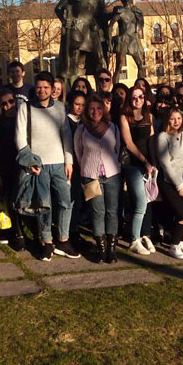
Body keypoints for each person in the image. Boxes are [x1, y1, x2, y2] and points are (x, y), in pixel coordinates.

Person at [14, 71, 77, 261]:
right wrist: (30, 161)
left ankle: (63, 239)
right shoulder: (26, 108)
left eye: (46, 88)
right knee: (44, 205)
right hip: (38, 165)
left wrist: (69, 161)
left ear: (52, 89)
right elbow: (19, 137)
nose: (42, 91)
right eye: (39, 87)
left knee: (66, 201)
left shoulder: (59, 108)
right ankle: (47, 242)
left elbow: (66, 136)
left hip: (59, 163)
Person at [74, 94, 121, 263]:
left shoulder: (113, 127)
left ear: (104, 109)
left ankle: (112, 248)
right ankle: (101, 249)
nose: (95, 112)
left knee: (112, 211)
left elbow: (117, 149)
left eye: (99, 108)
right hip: (91, 176)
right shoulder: (82, 129)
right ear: (87, 110)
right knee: (97, 212)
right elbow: (78, 152)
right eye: (92, 109)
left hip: (112, 176)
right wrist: (87, 169)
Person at [156, 108, 183, 259]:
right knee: (182, 215)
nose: (176, 122)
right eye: (172, 118)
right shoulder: (163, 137)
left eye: (179, 118)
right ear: (167, 120)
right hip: (170, 181)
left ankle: (182, 242)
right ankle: (174, 245)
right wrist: (179, 187)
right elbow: (166, 164)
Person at [119, 85, 156, 255]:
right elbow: (129, 143)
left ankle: (143, 234)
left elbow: (152, 139)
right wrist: (145, 161)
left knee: (147, 201)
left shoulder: (149, 115)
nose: (138, 100)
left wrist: (153, 162)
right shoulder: (125, 117)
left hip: (148, 163)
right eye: (134, 98)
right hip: (133, 164)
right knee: (140, 201)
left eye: (140, 97)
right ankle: (134, 239)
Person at [0, 89, 24, 249]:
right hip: (6, 164)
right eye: (3, 103)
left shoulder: (23, 119)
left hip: (22, 164)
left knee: (23, 198)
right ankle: (17, 232)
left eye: (11, 102)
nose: (8, 106)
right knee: (11, 200)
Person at [108, 0, 147, 78]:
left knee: (140, 65)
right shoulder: (120, 12)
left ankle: (140, 87)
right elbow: (110, 27)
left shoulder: (136, 11)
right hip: (123, 41)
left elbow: (140, 25)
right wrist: (109, 42)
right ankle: (115, 89)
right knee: (119, 67)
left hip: (133, 40)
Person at [66, 90, 87, 246]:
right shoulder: (66, 121)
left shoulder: (85, 122)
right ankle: (71, 231)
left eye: (82, 105)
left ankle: (77, 228)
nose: (79, 108)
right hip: (70, 165)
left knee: (80, 200)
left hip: (84, 165)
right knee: (71, 200)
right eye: (77, 104)